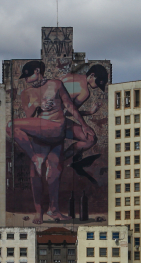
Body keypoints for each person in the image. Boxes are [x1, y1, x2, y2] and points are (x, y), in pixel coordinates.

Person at [6, 60, 97, 224]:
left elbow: (69, 106)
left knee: (55, 173)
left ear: (37, 71)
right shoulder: (26, 93)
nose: (25, 79)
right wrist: (38, 105)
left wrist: (84, 125)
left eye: (27, 76)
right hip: (41, 135)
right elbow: (29, 117)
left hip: (57, 128)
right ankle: (41, 212)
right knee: (41, 174)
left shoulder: (56, 84)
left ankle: (54, 210)